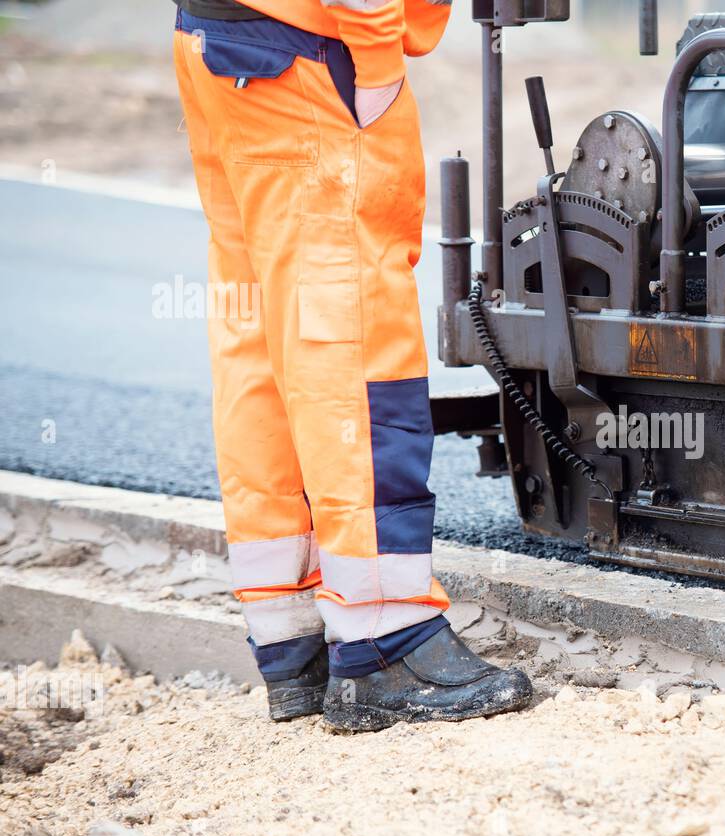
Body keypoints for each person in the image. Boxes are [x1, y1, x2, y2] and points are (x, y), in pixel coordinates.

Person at [170, 0, 532, 732]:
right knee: (351, 344)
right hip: (313, 57)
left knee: (262, 338)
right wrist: (377, 62)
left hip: (223, 41)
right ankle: (384, 639)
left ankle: (290, 637)